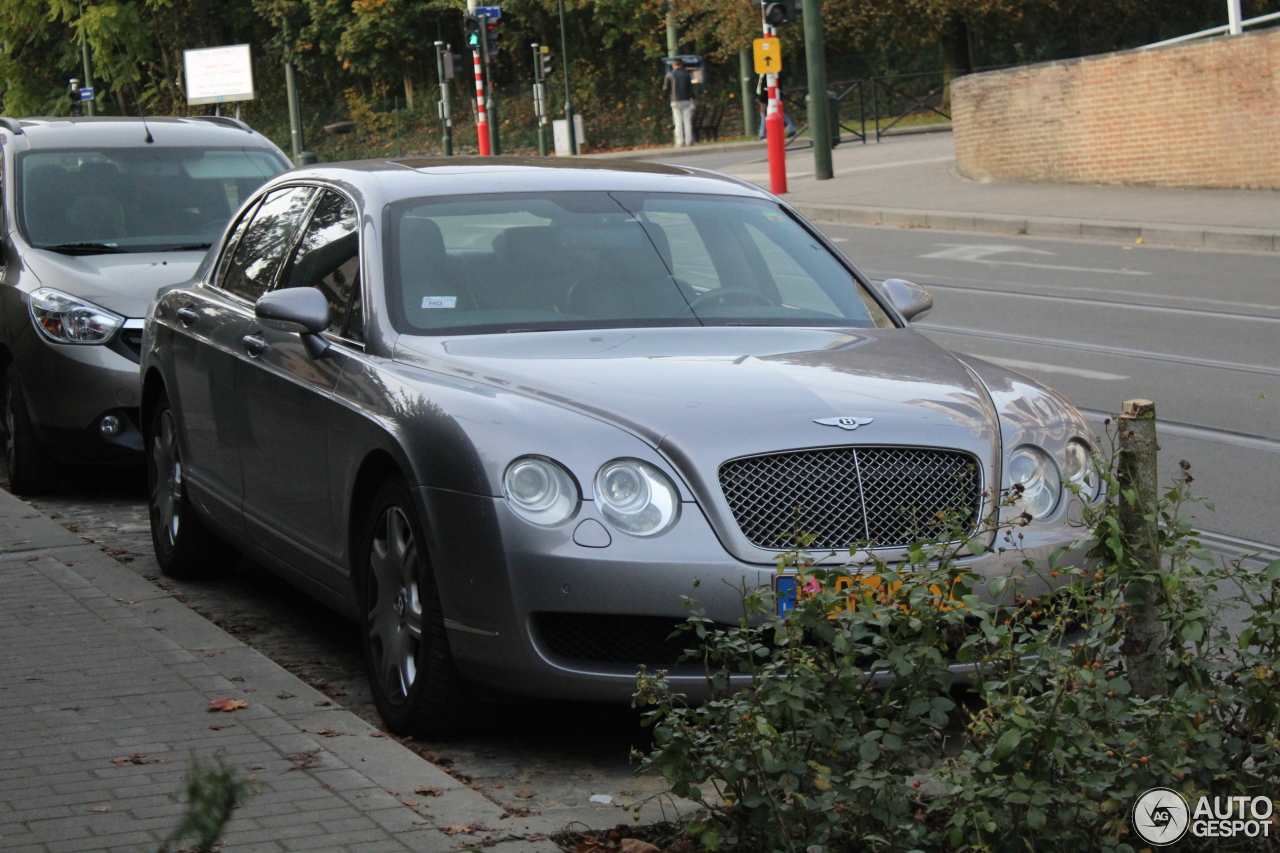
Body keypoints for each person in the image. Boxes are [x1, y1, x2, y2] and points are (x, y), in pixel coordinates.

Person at [662, 59, 696, 147]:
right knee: (687, 120)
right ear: (681, 65)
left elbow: (665, 88)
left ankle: (679, 141)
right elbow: (690, 88)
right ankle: (689, 141)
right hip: (686, 99)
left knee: (678, 121)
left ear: (673, 66)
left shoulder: (669, 75)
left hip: (674, 100)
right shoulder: (686, 74)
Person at [756, 73, 795, 139]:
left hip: (768, 92)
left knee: (765, 112)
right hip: (769, 92)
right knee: (778, 111)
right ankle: (791, 127)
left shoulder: (768, 72)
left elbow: (764, 85)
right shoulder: (769, 72)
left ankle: (763, 133)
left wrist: (762, 96)